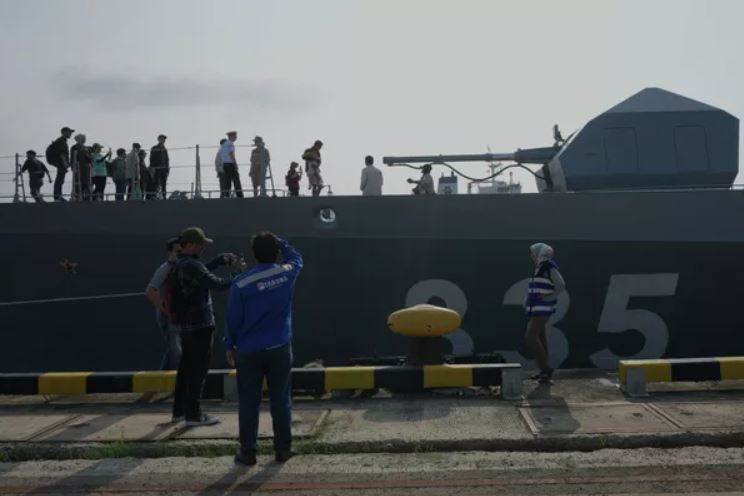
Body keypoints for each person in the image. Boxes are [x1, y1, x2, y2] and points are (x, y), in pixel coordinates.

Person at [225, 233, 303, 466]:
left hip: (249, 350)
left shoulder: (241, 283)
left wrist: (229, 344)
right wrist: (282, 243)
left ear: (254, 254)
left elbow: (233, 319)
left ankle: (248, 452)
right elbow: (297, 259)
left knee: (249, 402)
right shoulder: (287, 273)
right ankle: (283, 449)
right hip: (279, 347)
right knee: (281, 399)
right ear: (276, 252)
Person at [171, 227, 241, 426]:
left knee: (186, 369)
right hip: (200, 325)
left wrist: (218, 260)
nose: (203, 247)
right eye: (201, 244)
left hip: (187, 325)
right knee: (198, 370)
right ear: (192, 245)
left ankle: (179, 412)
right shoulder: (192, 265)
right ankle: (194, 415)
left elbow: (202, 273)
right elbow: (218, 284)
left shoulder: (181, 263)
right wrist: (238, 274)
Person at [524, 243, 566, 383]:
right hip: (536, 308)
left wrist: (548, 297)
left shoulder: (548, 267)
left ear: (540, 254)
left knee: (530, 337)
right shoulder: (539, 267)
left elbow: (561, 285)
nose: (531, 256)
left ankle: (546, 369)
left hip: (542, 308)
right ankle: (544, 371)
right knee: (541, 338)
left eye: (533, 253)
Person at [145, 237, 183, 370]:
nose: (180, 254)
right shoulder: (164, 269)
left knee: (173, 349)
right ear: (170, 252)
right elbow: (150, 291)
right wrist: (163, 309)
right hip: (168, 317)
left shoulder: (182, 268)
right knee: (176, 351)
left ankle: (161, 376)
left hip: (179, 315)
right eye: (178, 252)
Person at [45, 126, 73, 201]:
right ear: (64, 132)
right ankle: (57, 196)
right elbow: (61, 154)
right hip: (60, 162)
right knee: (59, 179)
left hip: (60, 162)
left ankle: (58, 195)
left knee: (60, 179)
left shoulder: (62, 141)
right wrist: (65, 164)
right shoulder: (61, 141)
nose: (70, 134)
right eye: (69, 132)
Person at [220, 131, 243, 198]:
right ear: (231, 136)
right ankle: (240, 196)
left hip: (225, 164)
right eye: (235, 136)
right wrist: (235, 164)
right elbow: (231, 154)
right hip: (230, 164)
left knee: (228, 180)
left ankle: (227, 195)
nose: (236, 138)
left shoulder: (224, 145)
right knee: (236, 180)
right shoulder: (230, 144)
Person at [70, 134, 92, 201]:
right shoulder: (74, 147)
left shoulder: (86, 148)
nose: (85, 139)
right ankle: (77, 196)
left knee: (87, 182)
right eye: (83, 138)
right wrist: (73, 167)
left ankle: (87, 197)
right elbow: (72, 158)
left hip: (86, 167)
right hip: (78, 167)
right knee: (78, 182)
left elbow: (90, 158)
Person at [150, 134, 169, 199]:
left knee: (163, 185)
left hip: (164, 169)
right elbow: (151, 159)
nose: (163, 140)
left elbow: (166, 160)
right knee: (155, 184)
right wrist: (152, 168)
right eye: (162, 139)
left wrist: (167, 169)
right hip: (156, 169)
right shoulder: (154, 148)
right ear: (158, 139)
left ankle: (164, 197)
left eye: (164, 139)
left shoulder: (165, 149)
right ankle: (154, 196)